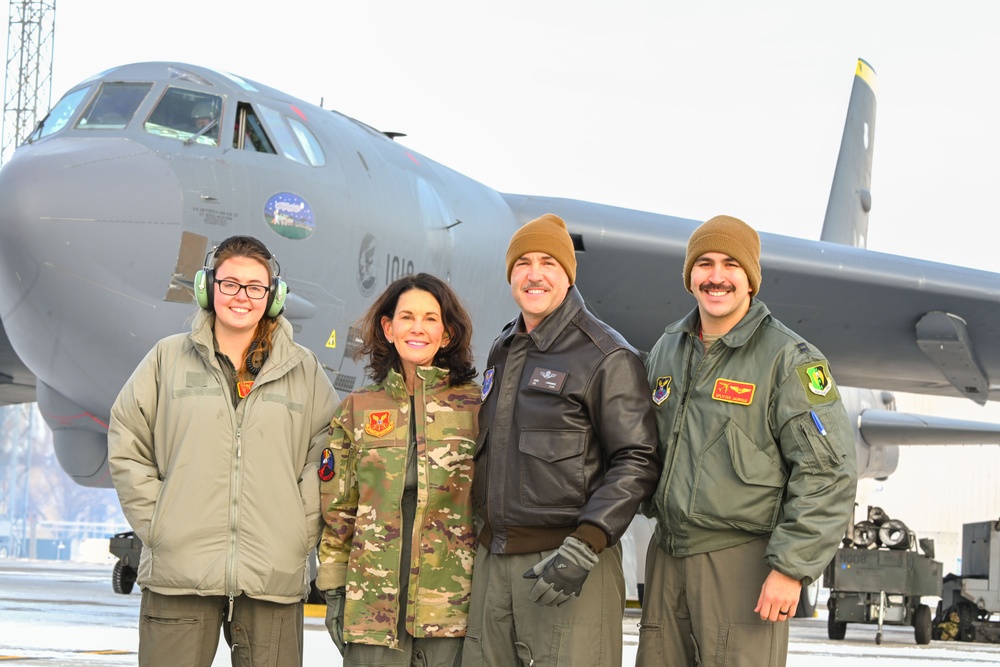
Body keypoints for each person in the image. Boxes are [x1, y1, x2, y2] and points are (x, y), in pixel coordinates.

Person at [637, 215, 858, 666]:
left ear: (751, 279)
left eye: (730, 265)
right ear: (689, 276)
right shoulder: (667, 349)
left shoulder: (788, 359)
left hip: (742, 561)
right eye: (704, 264)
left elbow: (828, 472)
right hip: (667, 554)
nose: (716, 277)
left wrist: (791, 568)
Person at [108, 235, 339, 667]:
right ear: (207, 288)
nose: (241, 297)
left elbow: (328, 454)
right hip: (180, 572)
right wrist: (161, 525)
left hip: (272, 573)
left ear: (273, 297)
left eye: (255, 287)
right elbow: (127, 441)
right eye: (230, 284)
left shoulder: (302, 369)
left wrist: (297, 532)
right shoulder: (166, 360)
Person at [462, 213, 661, 667]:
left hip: (570, 562)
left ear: (568, 275)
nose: (534, 274)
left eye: (549, 263)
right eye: (523, 263)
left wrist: (587, 542)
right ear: (510, 274)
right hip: (495, 566)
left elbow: (638, 458)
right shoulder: (503, 347)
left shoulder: (606, 354)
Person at [317, 273, 481, 666]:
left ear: (447, 334)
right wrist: (335, 590)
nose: (418, 328)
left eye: (430, 318)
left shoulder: (477, 407)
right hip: (372, 606)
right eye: (406, 317)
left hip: (452, 607)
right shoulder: (357, 409)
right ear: (388, 328)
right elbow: (339, 510)